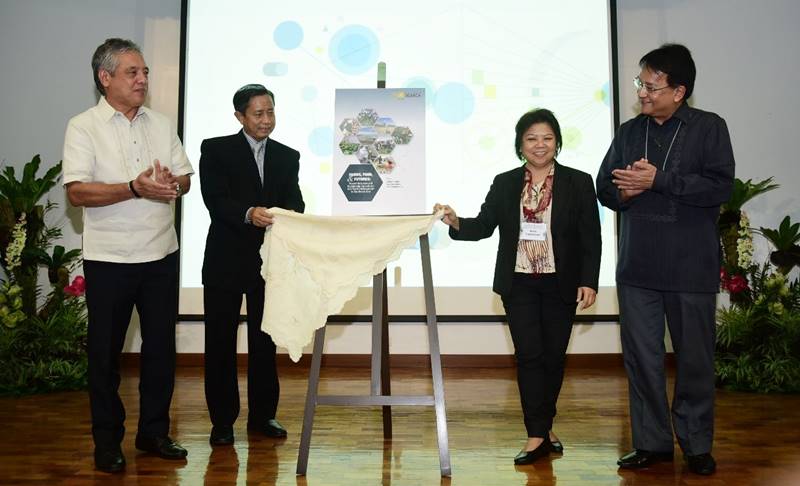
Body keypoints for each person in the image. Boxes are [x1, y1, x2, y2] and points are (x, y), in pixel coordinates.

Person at [596, 44, 735, 476]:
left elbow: (719, 187)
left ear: (679, 91)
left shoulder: (709, 128)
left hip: (690, 268)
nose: (642, 93)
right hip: (637, 268)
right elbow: (603, 187)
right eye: (641, 83)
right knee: (641, 359)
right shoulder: (627, 132)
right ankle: (651, 443)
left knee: (694, 360)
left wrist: (660, 181)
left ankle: (695, 444)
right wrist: (625, 191)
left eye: (652, 86)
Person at [435, 108, 601, 465]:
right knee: (529, 357)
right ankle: (536, 434)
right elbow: (483, 225)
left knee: (554, 358)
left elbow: (591, 237)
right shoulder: (506, 182)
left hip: (562, 283)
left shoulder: (579, 181)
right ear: (520, 144)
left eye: (547, 138)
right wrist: (455, 221)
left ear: (557, 142)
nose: (540, 145)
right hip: (520, 283)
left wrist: (589, 280)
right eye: (531, 138)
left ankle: (546, 425)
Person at [62, 38, 193, 473]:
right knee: (105, 355)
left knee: (160, 351)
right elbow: (78, 191)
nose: (143, 79)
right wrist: (134, 187)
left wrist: (172, 183)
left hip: (161, 253)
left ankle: (154, 432)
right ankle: (107, 440)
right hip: (110, 259)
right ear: (105, 78)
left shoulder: (160, 122)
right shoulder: (83, 126)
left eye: (145, 72)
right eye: (132, 72)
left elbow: (186, 179)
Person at [200, 84, 304, 446]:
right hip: (225, 262)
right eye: (258, 113)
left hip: (269, 265)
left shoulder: (288, 156)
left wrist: (286, 215)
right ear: (240, 116)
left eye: (270, 112)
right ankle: (222, 422)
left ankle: (264, 417)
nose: (266, 120)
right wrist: (248, 213)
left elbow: (296, 204)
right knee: (220, 343)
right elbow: (215, 200)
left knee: (264, 342)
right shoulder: (215, 150)